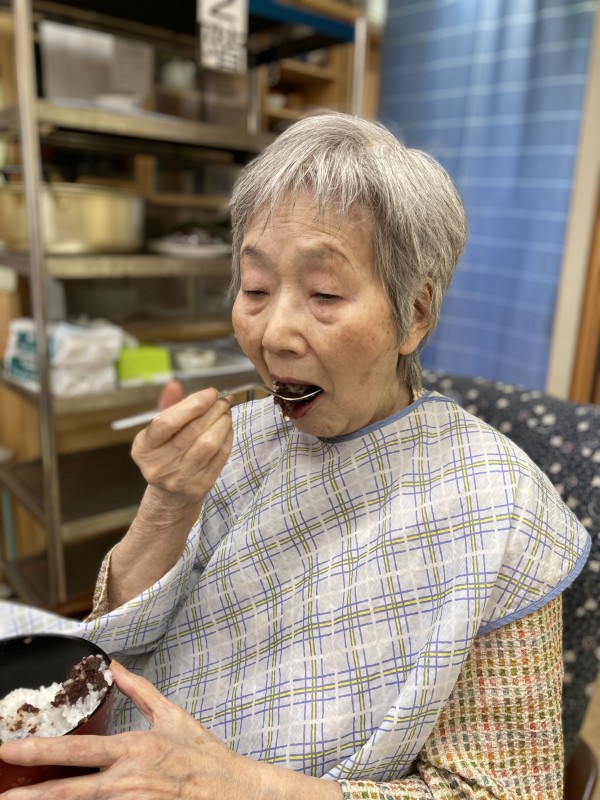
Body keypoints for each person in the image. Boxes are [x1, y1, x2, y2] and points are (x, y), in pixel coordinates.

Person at [0, 112, 590, 799]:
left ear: (416, 313)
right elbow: (117, 643)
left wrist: (234, 783)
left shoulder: (501, 507)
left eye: (324, 294)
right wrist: (167, 503)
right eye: (255, 289)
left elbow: (506, 792)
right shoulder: (242, 440)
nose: (274, 332)